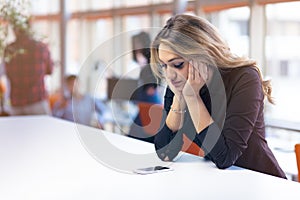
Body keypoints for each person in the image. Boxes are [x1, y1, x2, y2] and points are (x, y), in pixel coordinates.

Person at [150, 14, 286, 179]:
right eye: (164, 66)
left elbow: (225, 157)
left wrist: (193, 98)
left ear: (203, 55)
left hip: (263, 181)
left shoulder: (244, 77)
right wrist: (179, 99)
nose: (170, 75)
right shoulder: (180, 83)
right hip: (221, 182)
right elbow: (165, 153)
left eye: (177, 64)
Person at [4, 20, 54, 115]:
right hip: (37, 101)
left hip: (16, 104)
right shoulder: (41, 47)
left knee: (17, 130)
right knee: (45, 129)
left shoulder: (9, 50)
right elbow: (50, 70)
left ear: (15, 30)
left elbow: (7, 73)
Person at [128, 31, 162, 143]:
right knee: (139, 129)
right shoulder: (142, 59)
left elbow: (158, 71)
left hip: (150, 96)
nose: (136, 46)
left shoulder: (152, 57)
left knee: (142, 129)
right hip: (144, 95)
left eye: (138, 43)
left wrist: (154, 87)